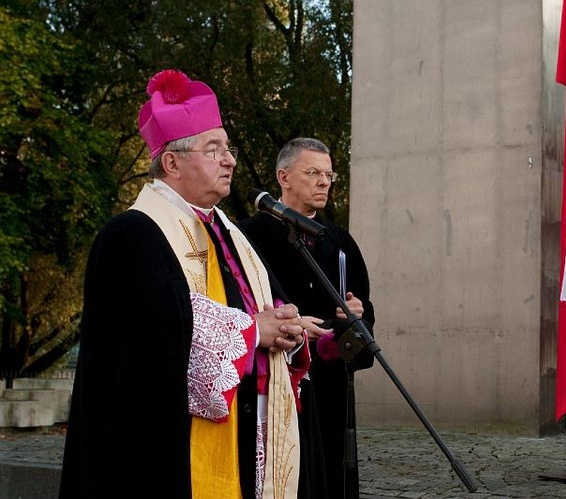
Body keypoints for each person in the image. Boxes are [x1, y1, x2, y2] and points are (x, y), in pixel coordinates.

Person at [59, 69, 312, 499]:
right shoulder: (132, 234)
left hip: (241, 438)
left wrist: (284, 324)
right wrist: (252, 333)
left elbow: (251, 309)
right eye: (214, 150)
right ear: (172, 163)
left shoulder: (230, 235)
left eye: (227, 148)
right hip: (160, 455)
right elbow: (152, 339)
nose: (230, 159)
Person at [240, 137, 375, 499]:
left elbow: (366, 314)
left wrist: (356, 316)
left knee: (329, 476)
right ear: (283, 176)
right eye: (313, 172)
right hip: (274, 382)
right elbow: (237, 308)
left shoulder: (341, 242)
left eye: (329, 175)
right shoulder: (247, 236)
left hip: (329, 386)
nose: (324, 182)